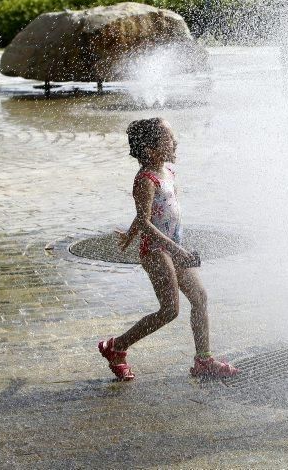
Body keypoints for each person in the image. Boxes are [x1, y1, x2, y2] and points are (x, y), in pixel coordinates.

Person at [98, 117, 238, 381]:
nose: (175, 142)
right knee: (170, 310)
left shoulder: (168, 173)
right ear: (151, 150)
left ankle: (204, 360)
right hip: (156, 251)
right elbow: (146, 220)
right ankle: (117, 347)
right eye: (169, 139)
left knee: (199, 297)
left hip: (174, 248)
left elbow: (152, 214)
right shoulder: (146, 179)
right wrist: (175, 249)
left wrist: (132, 232)